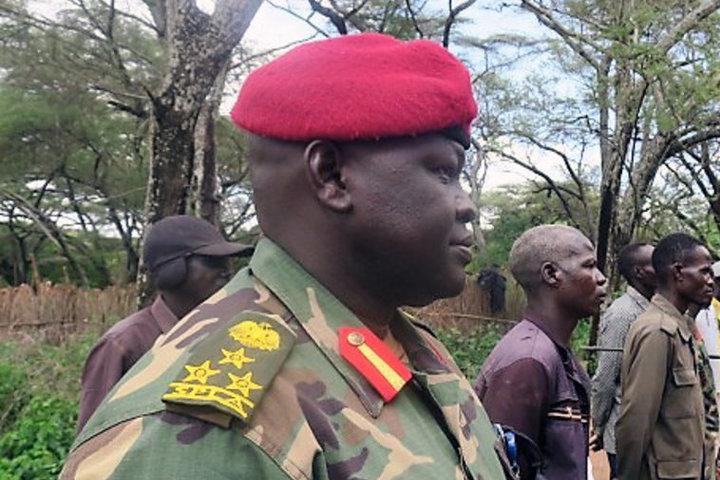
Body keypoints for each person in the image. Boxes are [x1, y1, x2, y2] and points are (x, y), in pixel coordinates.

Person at [61, 33, 516, 479]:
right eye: (443, 172)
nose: (467, 205)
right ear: (332, 176)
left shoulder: (409, 345)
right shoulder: (214, 434)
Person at [76, 215, 251, 431]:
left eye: (227, 262)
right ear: (172, 270)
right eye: (212, 262)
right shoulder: (124, 344)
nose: (227, 271)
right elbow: (91, 436)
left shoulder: (230, 335)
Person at [474, 224, 608, 479]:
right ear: (551, 274)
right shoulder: (529, 360)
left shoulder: (556, 352)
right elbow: (502, 472)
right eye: (589, 266)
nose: (601, 278)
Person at [616, 233, 715, 480]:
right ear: (678, 272)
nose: (710, 281)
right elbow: (636, 421)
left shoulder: (681, 327)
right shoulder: (658, 331)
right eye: (704, 272)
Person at [591, 242, 656, 479]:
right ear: (639, 272)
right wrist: (598, 425)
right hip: (623, 433)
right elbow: (606, 376)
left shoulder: (653, 309)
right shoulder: (623, 314)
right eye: (655, 263)